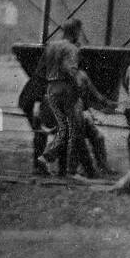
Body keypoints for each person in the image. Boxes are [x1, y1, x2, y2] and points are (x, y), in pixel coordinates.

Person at [37, 18, 89, 177]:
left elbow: (40, 70)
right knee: (74, 129)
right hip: (66, 90)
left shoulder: (51, 46)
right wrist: (78, 86)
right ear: (75, 32)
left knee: (63, 128)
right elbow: (69, 68)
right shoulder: (72, 48)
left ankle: (50, 160)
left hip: (51, 89)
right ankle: (67, 168)